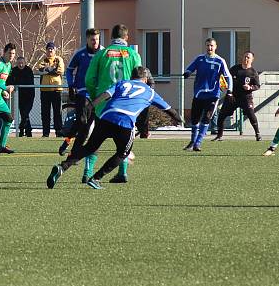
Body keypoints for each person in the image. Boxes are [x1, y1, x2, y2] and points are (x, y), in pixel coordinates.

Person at [48, 67, 182, 189]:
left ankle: (62, 167)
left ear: (132, 76)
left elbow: (105, 95)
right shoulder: (150, 92)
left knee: (89, 148)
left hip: (106, 117)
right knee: (123, 153)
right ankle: (96, 178)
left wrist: (89, 107)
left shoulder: (122, 83)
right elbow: (169, 110)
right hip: (125, 122)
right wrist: (179, 119)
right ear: (145, 79)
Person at [83, 24, 142, 182]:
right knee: (123, 142)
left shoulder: (102, 54)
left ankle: (87, 172)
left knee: (95, 141)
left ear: (111, 38)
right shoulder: (133, 55)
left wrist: (96, 97)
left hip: (104, 105)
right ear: (126, 37)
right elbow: (139, 80)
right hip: (125, 106)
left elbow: (89, 79)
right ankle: (122, 172)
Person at [182, 38, 232, 152]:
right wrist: (187, 73)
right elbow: (190, 68)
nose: (210, 48)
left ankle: (198, 143)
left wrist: (230, 90)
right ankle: (192, 141)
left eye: (212, 46)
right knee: (194, 120)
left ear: (216, 47)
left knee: (207, 118)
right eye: (208, 45)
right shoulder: (200, 59)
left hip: (213, 95)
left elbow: (228, 76)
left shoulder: (220, 61)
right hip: (199, 94)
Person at [59, 27, 101, 155]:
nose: (95, 42)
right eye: (93, 39)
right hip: (82, 92)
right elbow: (69, 69)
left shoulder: (103, 53)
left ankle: (68, 141)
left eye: (97, 39)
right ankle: (74, 151)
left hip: (98, 95)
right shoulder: (80, 53)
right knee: (82, 121)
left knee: (87, 125)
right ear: (87, 39)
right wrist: (71, 85)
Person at [213, 50, 262, 141]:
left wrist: (250, 87)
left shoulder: (253, 72)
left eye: (248, 57)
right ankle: (219, 136)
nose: (246, 58)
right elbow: (225, 76)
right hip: (233, 96)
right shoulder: (235, 69)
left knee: (251, 114)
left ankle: (257, 134)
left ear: (252, 59)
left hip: (246, 97)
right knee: (222, 115)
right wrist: (223, 84)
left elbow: (257, 86)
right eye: (244, 56)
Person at [37, 42, 65, 137]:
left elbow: (60, 71)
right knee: (45, 113)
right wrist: (52, 69)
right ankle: (45, 133)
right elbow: (40, 71)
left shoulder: (58, 59)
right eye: (48, 48)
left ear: (55, 50)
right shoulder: (43, 59)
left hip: (56, 90)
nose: (50, 50)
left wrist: (47, 69)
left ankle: (59, 131)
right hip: (45, 90)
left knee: (57, 112)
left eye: (52, 48)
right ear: (46, 50)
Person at [7, 56, 35, 137]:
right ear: (17, 63)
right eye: (19, 63)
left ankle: (22, 128)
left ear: (25, 63)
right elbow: (10, 81)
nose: (21, 65)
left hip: (29, 95)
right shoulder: (14, 70)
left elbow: (28, 82)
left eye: (22, 63)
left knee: (25, 113)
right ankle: (27, 131)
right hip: (20, 96)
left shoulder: (28, 70)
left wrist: (18, 83)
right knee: (23, 114)